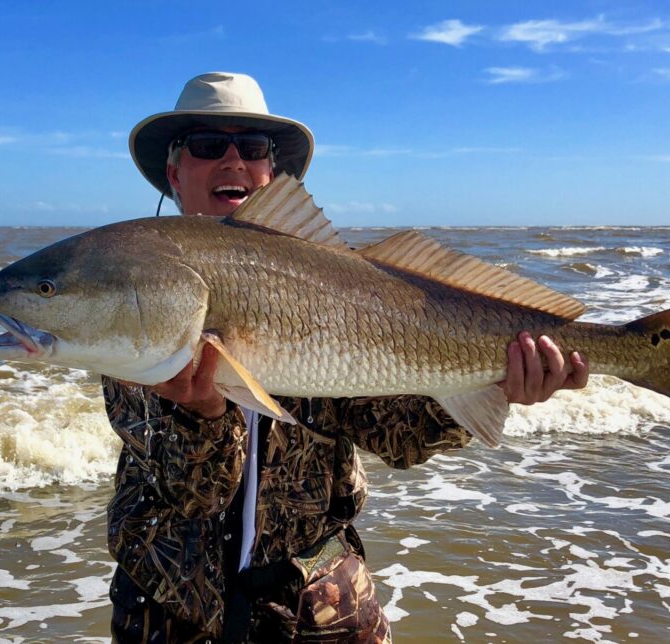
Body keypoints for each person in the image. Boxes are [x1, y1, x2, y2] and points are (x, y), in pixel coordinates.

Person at [104, 72, 589, 643]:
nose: (233, 160)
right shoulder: (136, 295)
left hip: (325, 610)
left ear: (271, 172)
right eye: (209, 145)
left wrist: (501, 385)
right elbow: (195, 495)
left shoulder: (340, 284)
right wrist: (202, 415)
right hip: (170, 612)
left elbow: (398, 437)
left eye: (253, 148)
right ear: (174, 172)